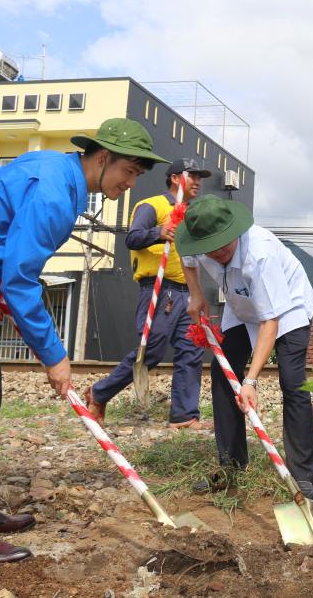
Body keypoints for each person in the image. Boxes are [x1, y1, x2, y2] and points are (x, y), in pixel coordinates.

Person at [0, 118, 166, 564]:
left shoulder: (53, 169)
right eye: (128, 172)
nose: (130, 183)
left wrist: (2, 296)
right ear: (102, 158)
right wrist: (55, 356)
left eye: (137, 177)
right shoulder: (54, 193)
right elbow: (21, 277)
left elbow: (6, 255)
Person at [177, 196, 313, 498]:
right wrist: (196, 295)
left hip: (287, 307)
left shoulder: (260, 254)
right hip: (241, 305)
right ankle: (230, 465)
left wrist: (251, 381)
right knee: (222, 372)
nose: (220, 253)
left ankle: (303, 476)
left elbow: (271, 322)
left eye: (225, 246)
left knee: (292, 383)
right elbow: (186, 259)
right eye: (212, 250)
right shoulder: (197, 243)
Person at [84, 158, 211, 429]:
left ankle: (184, 416)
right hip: (159, 289)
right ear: (176, 178)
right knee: (150, 351)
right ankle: (100, 393)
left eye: (201, 177)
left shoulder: (191, 213)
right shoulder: (152, 205)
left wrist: (198, 294)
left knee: (191, 350)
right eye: (194, 176)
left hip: (186, 292)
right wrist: (160, 231)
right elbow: (133, 237)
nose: (199, 182)